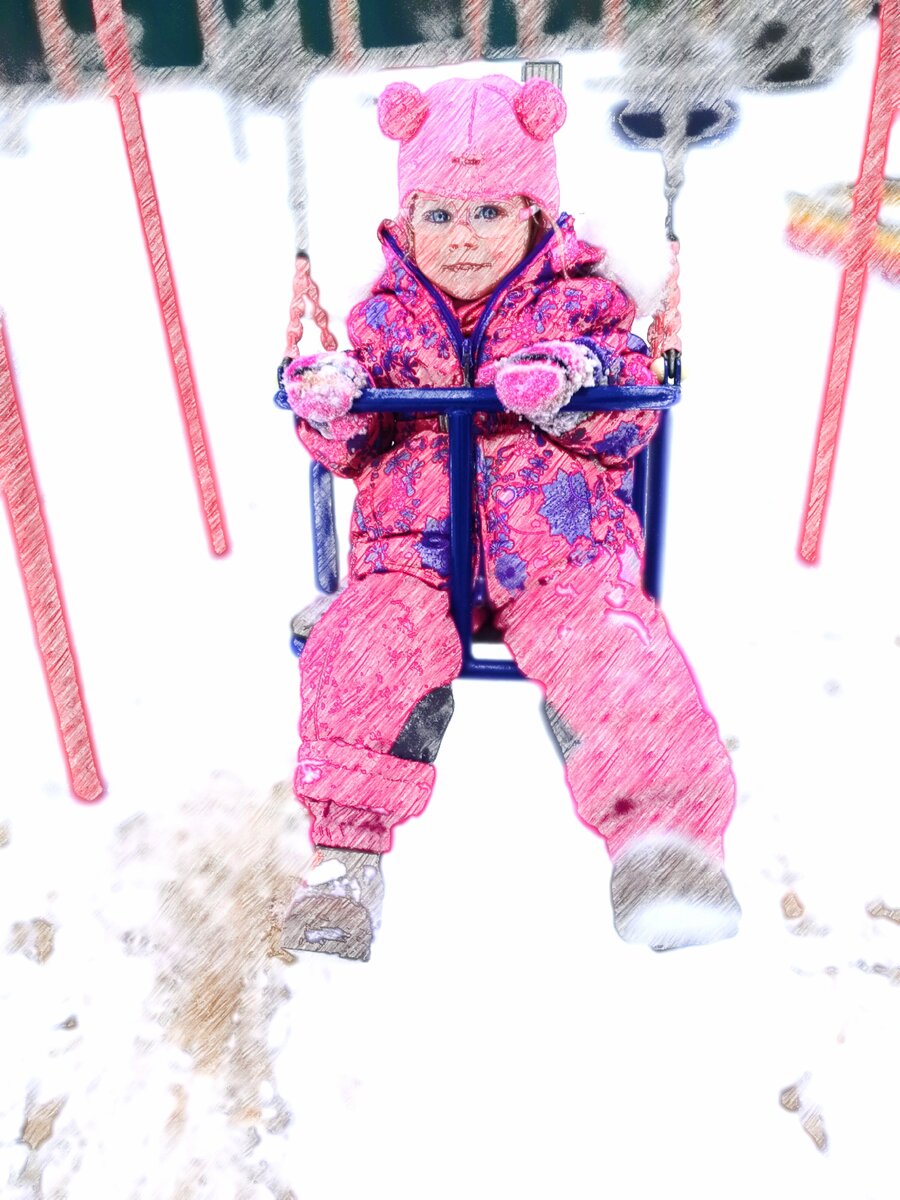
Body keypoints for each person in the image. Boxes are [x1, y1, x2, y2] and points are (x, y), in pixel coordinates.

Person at [277, 74, 740, 961]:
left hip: (559, 557)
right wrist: (334, 403)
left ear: (535, 213)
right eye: (439, 216)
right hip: (412, 561)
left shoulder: (578, 305)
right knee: (359, 653)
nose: (462, 238)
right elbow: (349, 447)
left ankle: (667, 852)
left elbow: (630, 410)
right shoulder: (381, 321)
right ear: (406, 219)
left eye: (489, 212)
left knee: (617, 657)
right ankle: (345, 861)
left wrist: (571, 384)